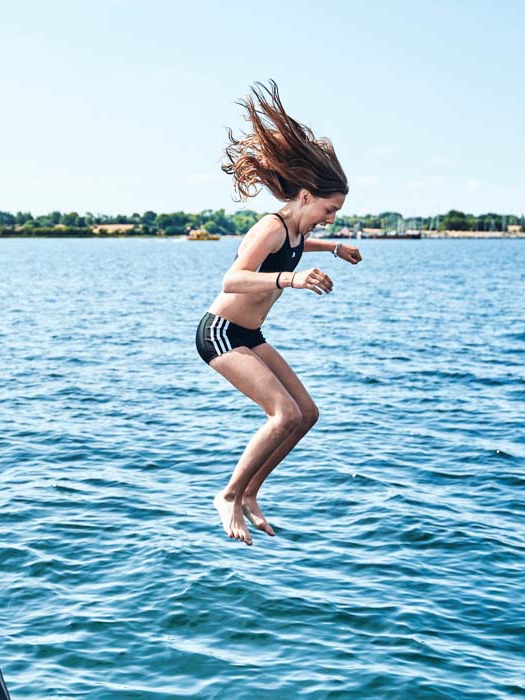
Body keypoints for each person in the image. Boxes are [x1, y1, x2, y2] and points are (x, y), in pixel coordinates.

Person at [195, 80, 362, 545]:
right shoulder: (270, 226)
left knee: (306, 413)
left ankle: (251, 493)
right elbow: (232, 280)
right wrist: (292, 279)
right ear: (306, 196)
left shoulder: (294, 231)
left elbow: (299, 243)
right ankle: (229, 495)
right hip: (221, 334)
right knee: (283, 414)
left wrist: (334, 248)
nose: (331, 218)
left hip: (250, 335)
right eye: (329, 210)